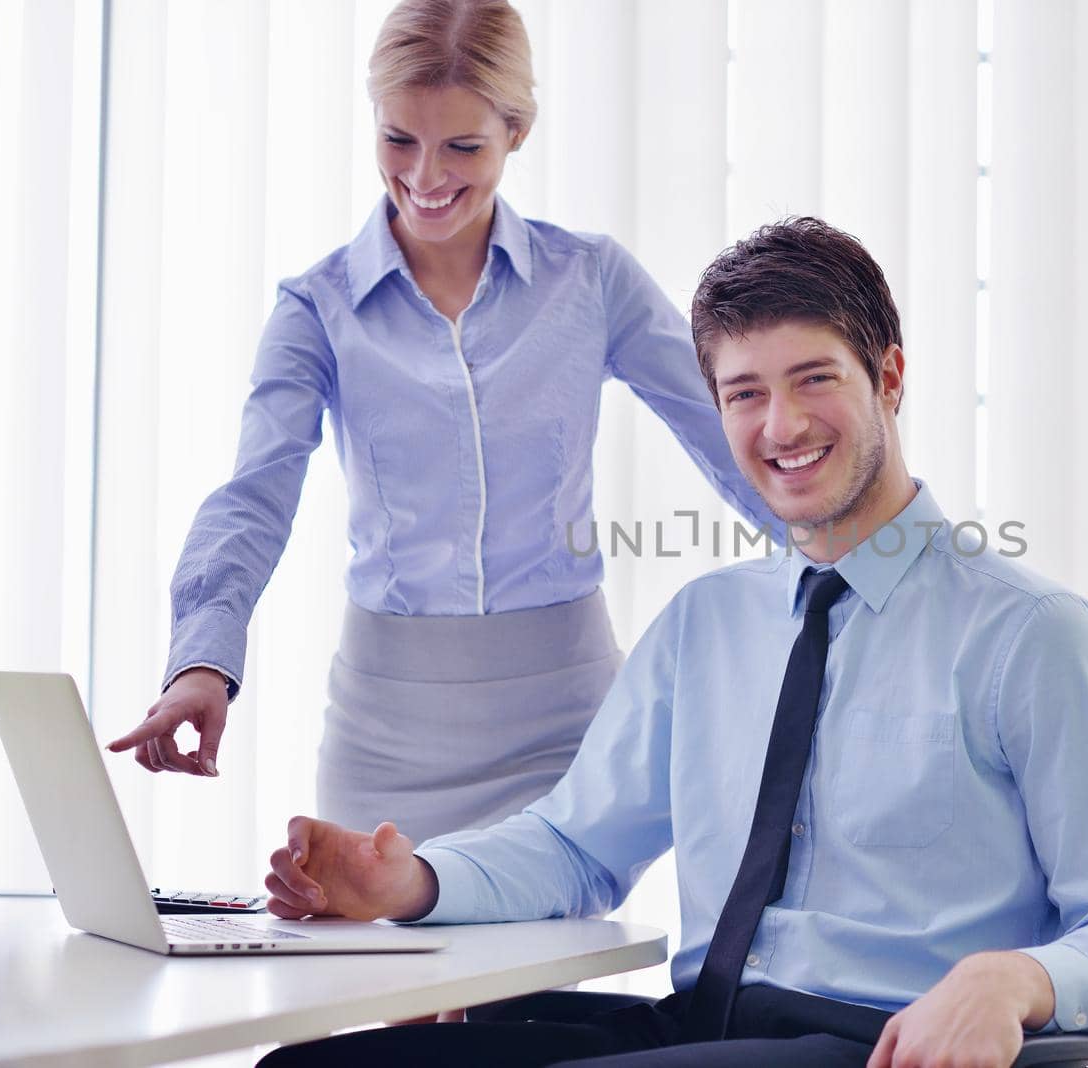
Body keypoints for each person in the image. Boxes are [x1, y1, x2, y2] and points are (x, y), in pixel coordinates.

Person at [256, 218, 1088, 1067]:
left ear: (892, 378)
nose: (779, 427)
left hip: (875, 1045)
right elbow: (574, 846)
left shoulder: (1029, 635)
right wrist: (410, 879)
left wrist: (1012, 982)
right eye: (744, 393)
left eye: (814, 379)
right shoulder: (704, 624)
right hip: (701, 1028)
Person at [105, 0, 776, 845]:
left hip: (565, 726)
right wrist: (202, 659)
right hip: (384, 734)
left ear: (516, 132)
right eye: (398, 141)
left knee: (541, 971)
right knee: (384, 971)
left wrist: (857, 563)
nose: (425, 177)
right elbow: (255, 494)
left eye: (463, 146)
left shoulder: (592, 281)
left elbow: (729, 438)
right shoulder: (318, 308)